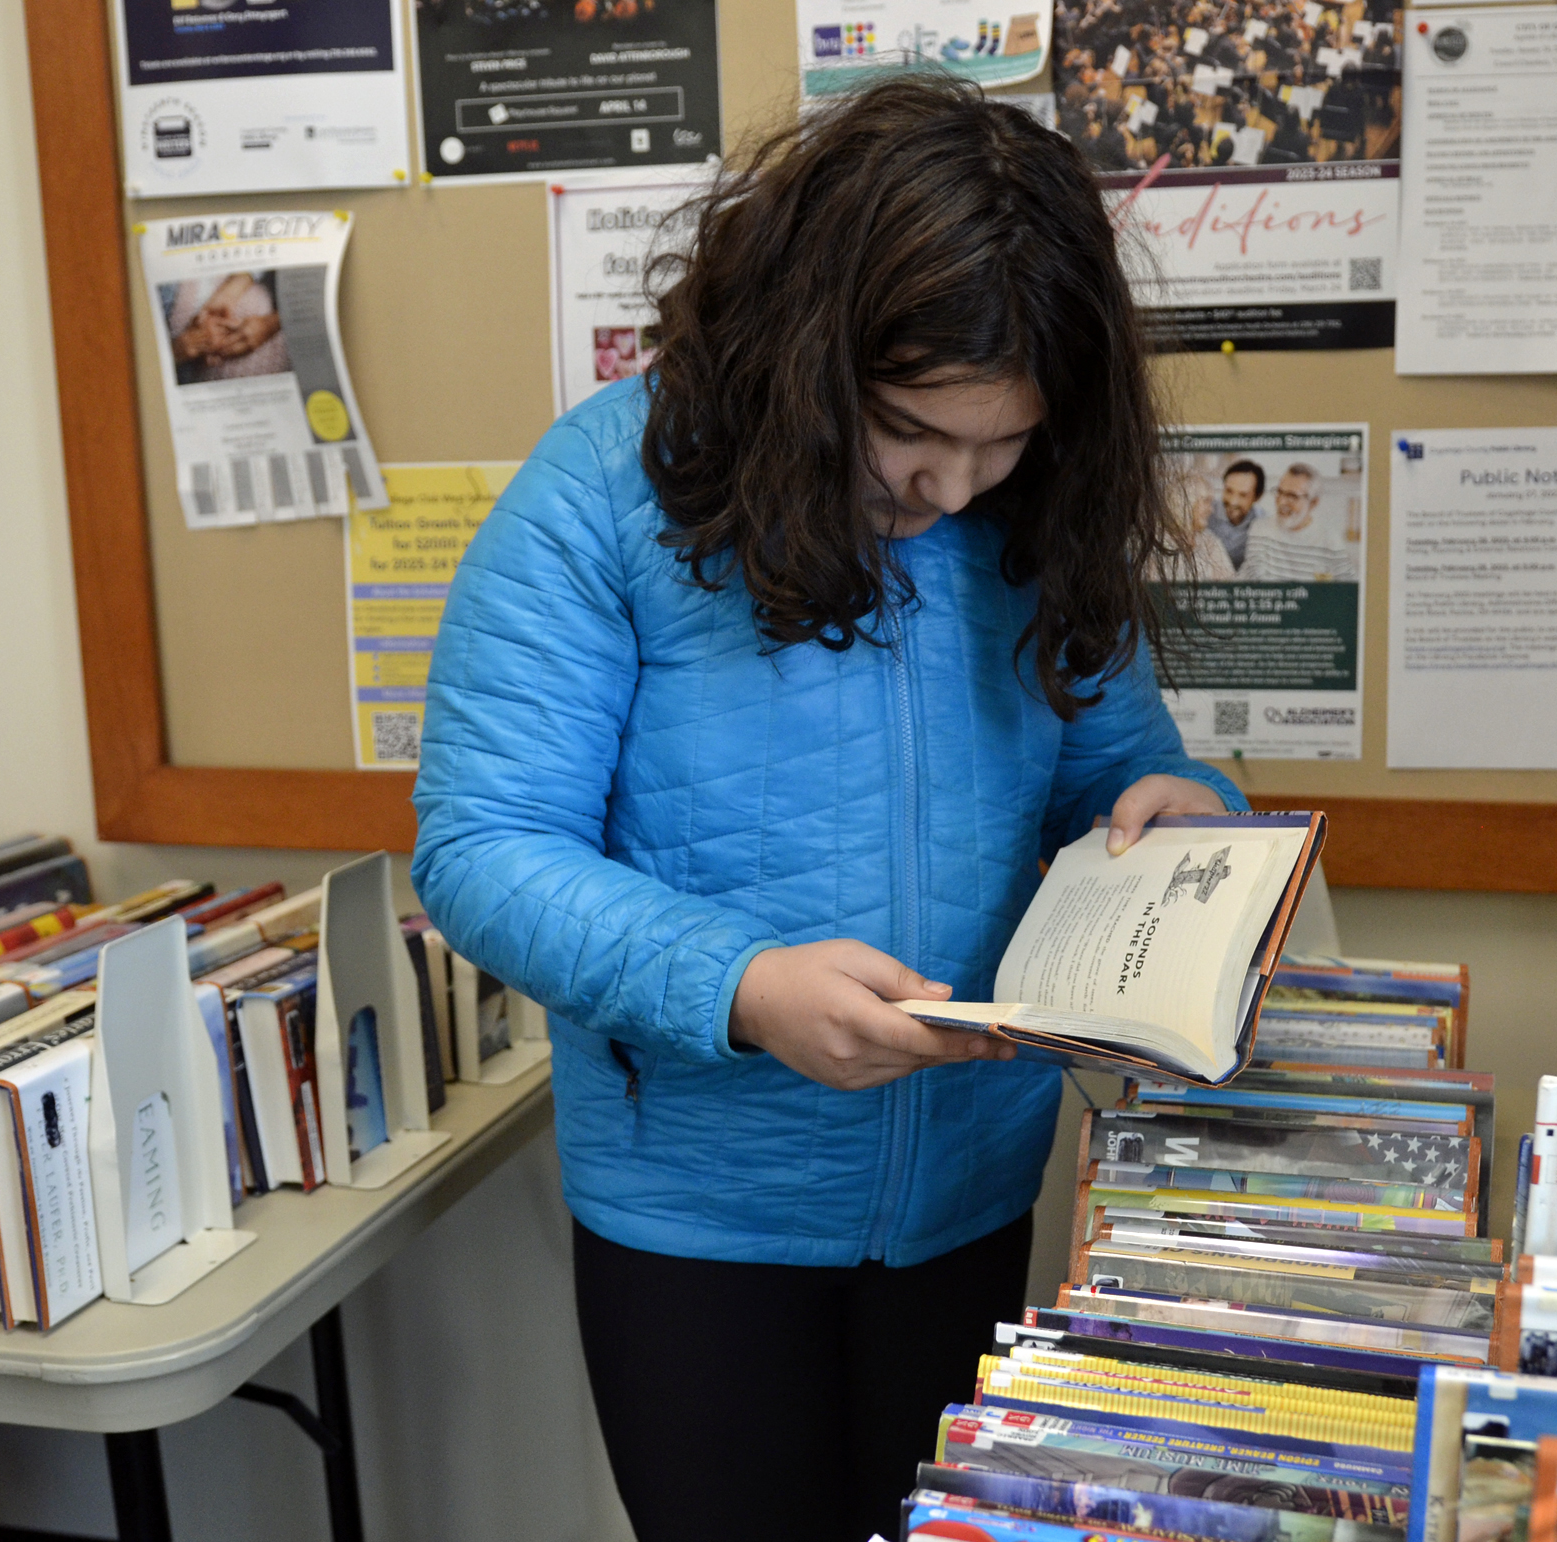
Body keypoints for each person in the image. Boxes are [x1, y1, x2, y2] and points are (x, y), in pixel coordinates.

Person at [411, 77, 1243, 1542]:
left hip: (973, 1187)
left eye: (1005, 444)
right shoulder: (602, 493)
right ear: (809, 349)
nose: (953, 484)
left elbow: (1121, 772)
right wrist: (737, 986)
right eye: (912, 431)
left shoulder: (1023, 509)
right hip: (698, 1222)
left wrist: (1183, 813)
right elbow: (485, 849)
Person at [1243, 461, 1358, 580]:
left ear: (1313, 503)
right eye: (1280, 492)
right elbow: (1255, 580)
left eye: (1293, 496)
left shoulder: (1330, 540)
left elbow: (1350, 589)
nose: (1282, 502)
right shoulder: (1260, 530)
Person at [1206, 457, 1266, 570]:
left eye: (1243, 495)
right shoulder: (1206, 512)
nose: (1233, 501)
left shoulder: (1262, 523)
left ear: (1257, 497)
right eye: (1229, 491)